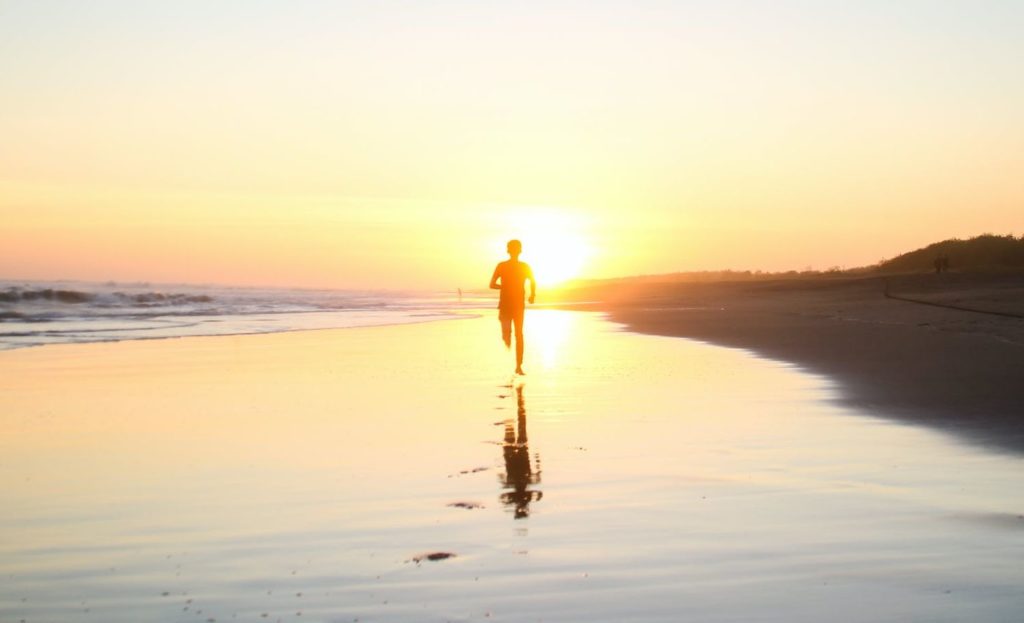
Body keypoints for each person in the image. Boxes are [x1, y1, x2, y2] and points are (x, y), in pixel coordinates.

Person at [490, 239, 536, 375]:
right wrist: (532, 294)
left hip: (514, 305)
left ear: (508, 250)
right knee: (516, 334)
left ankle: (518, 366)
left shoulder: (518, 266)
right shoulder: (507, 266)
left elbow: (492, 284)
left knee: (518, 334)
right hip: (512, 304)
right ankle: (518, 365)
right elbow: (491, 284)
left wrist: (532, 294)